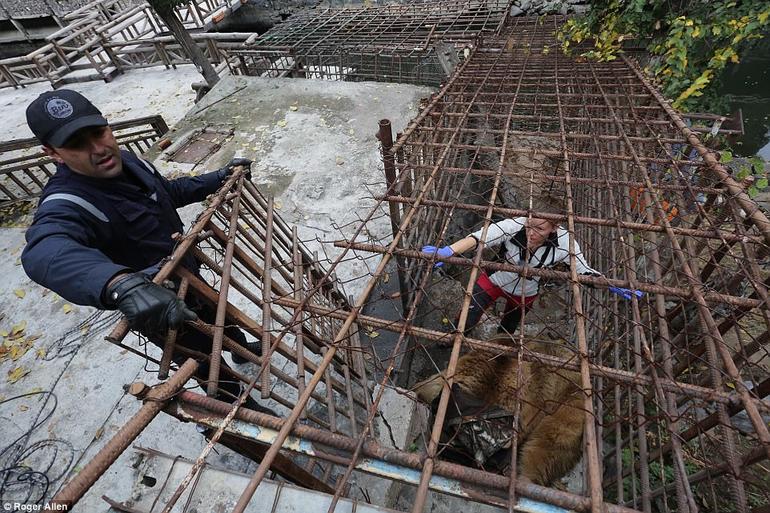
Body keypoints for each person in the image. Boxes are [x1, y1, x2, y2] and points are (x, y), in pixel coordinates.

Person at [21, 89, 273, 414]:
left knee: (220, 315)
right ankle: (240, 407)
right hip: (157, 305)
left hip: (188, 271)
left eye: (99, 133)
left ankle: (238, 349)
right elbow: (44, 251)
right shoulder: (66, 202)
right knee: (203, 361)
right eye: (77, 144)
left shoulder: (127, 160)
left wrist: (216, 178)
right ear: (53, 153)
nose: (98, 149)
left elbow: (166, 193)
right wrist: (118, 284)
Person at [422, 214, 640, 335]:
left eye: (540, 230)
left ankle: (497, 354)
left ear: (555, 228)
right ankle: (453, 338)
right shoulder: (516, 224)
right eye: (530, 226)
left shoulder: (565, 242)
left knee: (508, 329)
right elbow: (482, 236)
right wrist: (449, 251)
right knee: (467, 316)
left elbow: (583, 270)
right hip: (495, 278)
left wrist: (608, 283)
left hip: (527, 290)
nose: (531, 233)